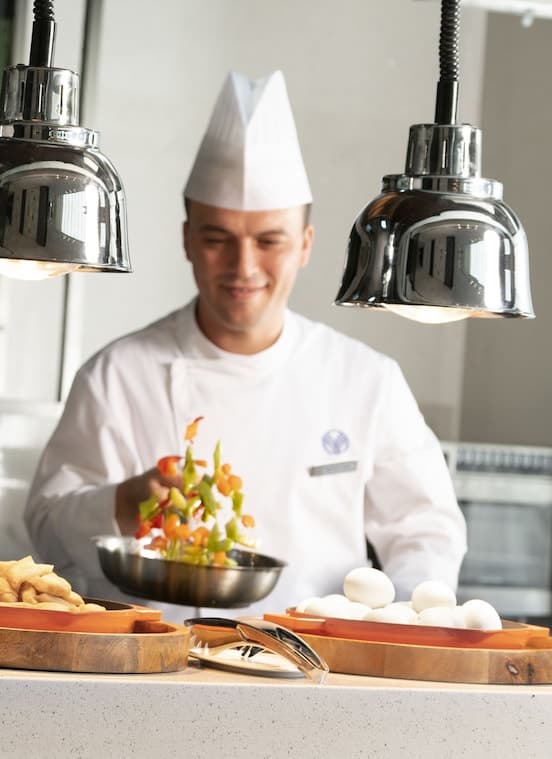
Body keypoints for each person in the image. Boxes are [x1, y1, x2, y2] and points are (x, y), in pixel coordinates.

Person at [23, 70, 467, 617]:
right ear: (187, 240)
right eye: (217, 239)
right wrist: (121, 503)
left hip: (316, 657)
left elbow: (425, 529)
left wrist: (399, 623)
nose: (244, 266)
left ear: (304, 245)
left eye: (269, 241)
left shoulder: (365, 379)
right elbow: (47, 527)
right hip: (152, 656)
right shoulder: (117, 375)